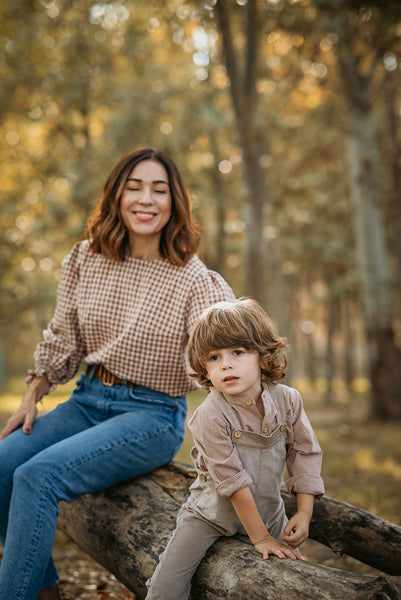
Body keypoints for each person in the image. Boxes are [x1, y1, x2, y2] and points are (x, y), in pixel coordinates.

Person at [0, 147, 235, 600]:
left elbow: (215, 350)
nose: (146, 199)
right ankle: (42, 588)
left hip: (150, 416)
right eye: (135, 187)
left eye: (159, 190)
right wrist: (33, 393)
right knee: (5, 463)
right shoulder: (85, 259)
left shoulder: (192, 278)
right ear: (117, 197)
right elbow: (63, 338)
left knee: (38, 476)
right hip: (87, 400)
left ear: (174, 203)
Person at [146, 298, 325, 600]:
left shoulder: (288, 400)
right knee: (166, 587)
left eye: (237, 352)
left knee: (292, 582)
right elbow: (233, 482)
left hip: (269, 512)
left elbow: (304, 454)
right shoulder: (209, 415)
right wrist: (261, 538)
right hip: (210, 514)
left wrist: (304, 513)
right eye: (214, 357)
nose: (225, 364)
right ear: (204, 367)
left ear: (263, 357)